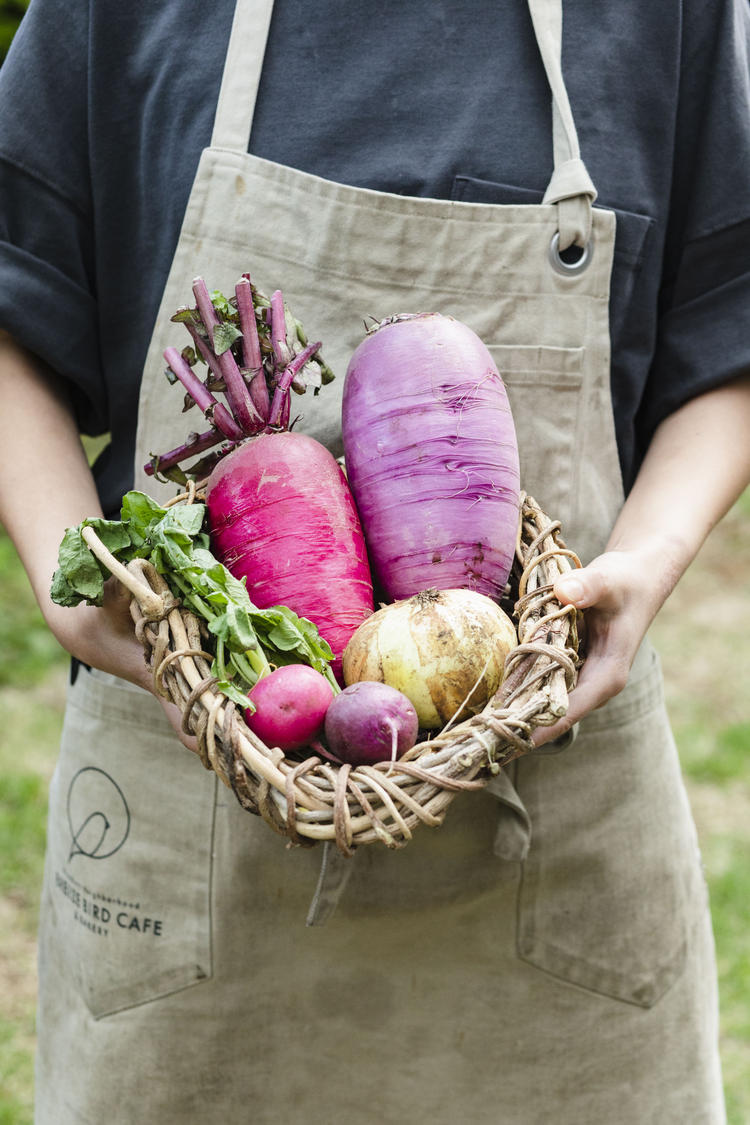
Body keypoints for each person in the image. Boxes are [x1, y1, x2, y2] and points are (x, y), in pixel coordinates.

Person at [1, 0, 749, 1121]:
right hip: (197, 831)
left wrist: (643, 562)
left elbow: (729, 331)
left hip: (553, 823)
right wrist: (71, 587)